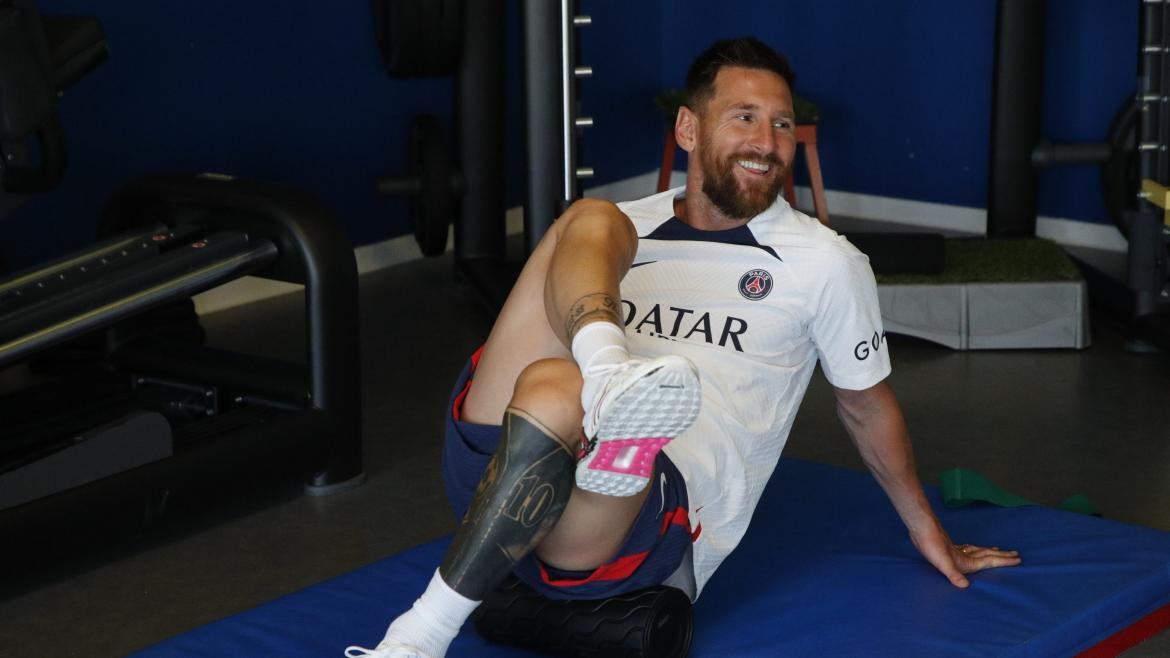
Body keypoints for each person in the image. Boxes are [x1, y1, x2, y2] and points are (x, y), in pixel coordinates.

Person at [344, 36, 1021, 658]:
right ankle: (610, 376)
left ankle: (419, 635)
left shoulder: (825, 263)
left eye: (782, 123)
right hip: (506, 454)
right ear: (689, 129)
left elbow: (865, 406)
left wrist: (926, 530)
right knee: (586, 229)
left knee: (558, 388)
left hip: (633, 518)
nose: (767, 140)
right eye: (745, 116)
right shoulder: (624, 227)